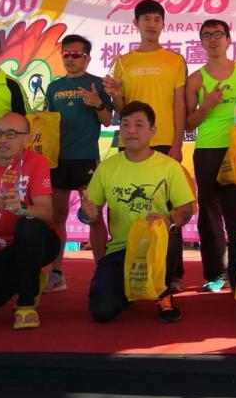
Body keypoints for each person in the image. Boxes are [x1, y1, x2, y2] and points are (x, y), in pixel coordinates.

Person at [81, 101, 195, 323]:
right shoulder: (107, 167)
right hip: (120, 249)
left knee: (168, 231)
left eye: (139, 124)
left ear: (153, 130)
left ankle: (163, 293)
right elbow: (89, 214)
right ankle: (127, 290)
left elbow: (186, 211)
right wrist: (86, 214)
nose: (131, 130)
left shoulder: (169, 166)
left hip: (156, 245)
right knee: (102, 311)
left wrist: (169, 219)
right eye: (125, 124)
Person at [103, 0, 187, 290]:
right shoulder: (123, 61)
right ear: (135, 24)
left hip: (164, 142)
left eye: (156, 19)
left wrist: (177, 144)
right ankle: (129, 265)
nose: (151, 24)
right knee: (130, 206)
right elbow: (121, 109)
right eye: (146, 19)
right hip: (131, 144)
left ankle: (172, 273)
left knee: (169, 211)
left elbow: (179, 104)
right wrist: (115, 95)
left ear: (163, 24)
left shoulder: (175, 60)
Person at [0, 113, 60, 330]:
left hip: (40, 242)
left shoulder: (36, 162)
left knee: (28, 225)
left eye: (12, 134)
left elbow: (47, 213)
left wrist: (22, 208)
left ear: (27, 139)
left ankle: (26, 303)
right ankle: (31, 276)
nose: (3, 140)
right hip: (3, 250)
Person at [185, 19, 236, 292]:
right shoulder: (196, 79)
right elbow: (188, 124)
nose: (213, 39)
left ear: (228, 39)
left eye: (218, 34)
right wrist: (206, 106)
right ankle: (217, 274)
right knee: (210, 214)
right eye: (207, 35)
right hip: (207, 150)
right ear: (201, 42)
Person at [42, 34, 112, 293]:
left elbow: (108, 120)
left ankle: (102, 273)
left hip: (86, 159)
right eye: (66, 54)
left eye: (76, 54)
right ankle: (56, 273)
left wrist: (98, 103)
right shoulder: (54, 87)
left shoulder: (97, 84)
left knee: (93, 216)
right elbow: (46, 122)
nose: (70, 59)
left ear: (87, 58)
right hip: (57, 160)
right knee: (57, 217)